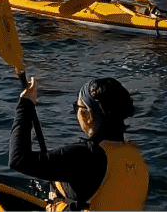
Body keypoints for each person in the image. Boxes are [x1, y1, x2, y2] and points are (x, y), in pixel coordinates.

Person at [9, 76, 149, 211]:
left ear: (88, 115)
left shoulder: (85, 156)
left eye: (77, 107)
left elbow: (18, 159)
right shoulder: (135, 157)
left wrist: (25, 105)